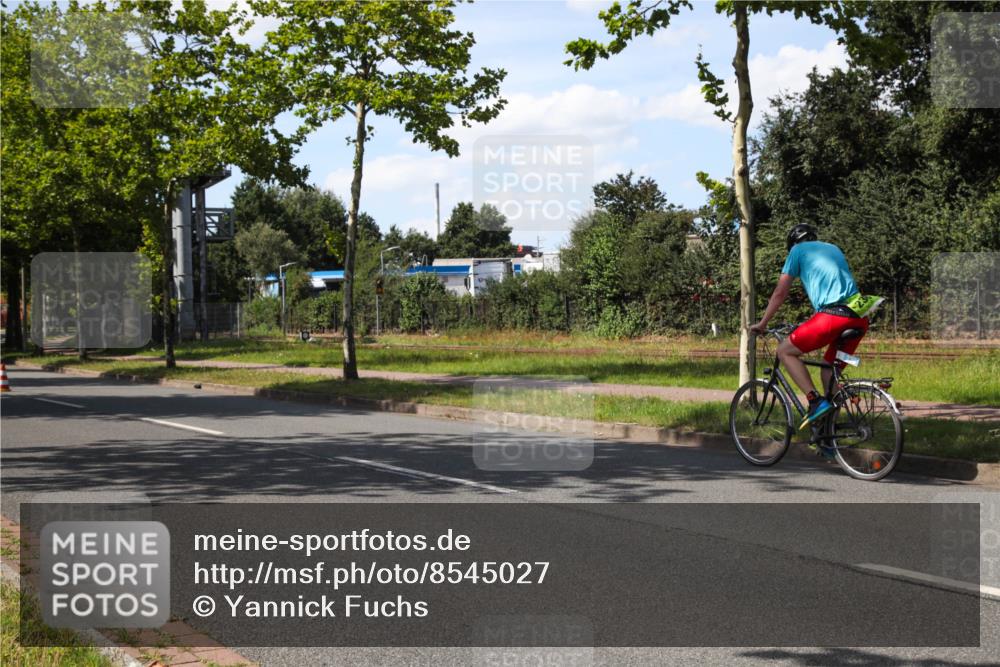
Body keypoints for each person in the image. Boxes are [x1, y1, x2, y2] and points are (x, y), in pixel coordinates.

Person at [750, 224, 882, 453]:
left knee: (785, 351)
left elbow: (780, 293)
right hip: (859, 316)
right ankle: (827, 438)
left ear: (793, 243)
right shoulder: (832, 247)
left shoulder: (797, 252)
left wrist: (762, 323)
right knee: (828, 371)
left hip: (833, 317)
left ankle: (814, 400)